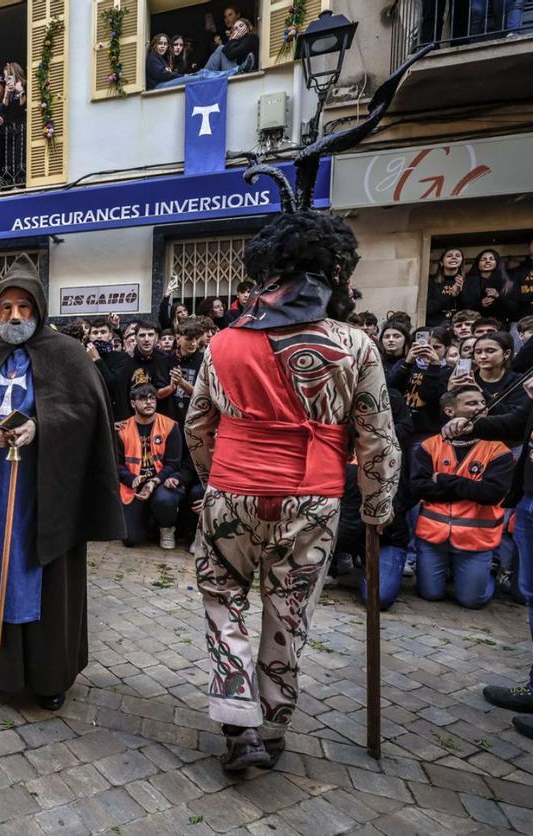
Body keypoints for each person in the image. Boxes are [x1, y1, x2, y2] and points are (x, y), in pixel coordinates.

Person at [185, 210, 401, 770]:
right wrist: (378, 507)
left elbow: (197, 426)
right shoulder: (356, 345)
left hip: (233, 490)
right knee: (290, 611)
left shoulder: (223, 344)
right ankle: (273, 724)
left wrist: (217, 482)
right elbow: (376, 438)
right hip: (313, 498)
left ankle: (239, 722)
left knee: (222, 599)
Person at [0, 254, 125, 711]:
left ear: (39, 308)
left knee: (40, 574)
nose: (14, 316)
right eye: (6, 307)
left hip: (46, 492)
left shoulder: (67, 355)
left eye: (24, 307)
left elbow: (88, 412)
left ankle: (49, 674)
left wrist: (42, 427)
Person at [412, 385, 511, 609]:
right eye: (471, 403)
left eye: (482, 403)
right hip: (433, 537)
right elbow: (419, 487)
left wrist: (444, 480)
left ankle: (485, 576)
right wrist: (469, 488)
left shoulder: (498, 450)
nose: (480, 408)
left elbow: (490, 494)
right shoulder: (429, 446)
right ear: (450, 411)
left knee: (471, 601)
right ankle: (453, 574)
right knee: (430, 594)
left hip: (475, 540)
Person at [117, 383, 185, 549]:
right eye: (143, 399)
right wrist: (131, 479)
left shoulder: (170, 426)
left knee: (164, 500)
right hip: (134, 485)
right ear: (133, 404)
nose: (149, 402)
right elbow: (116, 464)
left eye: (152, 398)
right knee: (130, 540)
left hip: (161, 483)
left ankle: (166, 527)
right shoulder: (122, 429)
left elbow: (174, 464)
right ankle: (149, 520)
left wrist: (154, 481)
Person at [427, 247, 472, 326]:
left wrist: (460, 293)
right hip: (436, 324)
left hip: (461, 325)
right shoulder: (431, 282)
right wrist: (450, 294)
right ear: (441, 262)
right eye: (449, 256)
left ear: (461, 262)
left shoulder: (469, 281)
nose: (454, 257)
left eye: (458, 256)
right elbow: (429, 308)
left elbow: (471, 308)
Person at [467, 248, 509, 322]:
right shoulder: (469, 281)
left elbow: (513, 307)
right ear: (477, 263)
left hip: (500, 322)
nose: (487, 261)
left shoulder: (506, 281)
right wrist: (480, 304)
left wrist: (498, 296)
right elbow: (464, 305)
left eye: (491, 259)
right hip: (474, 322)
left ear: (497, 262)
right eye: (483, 259)